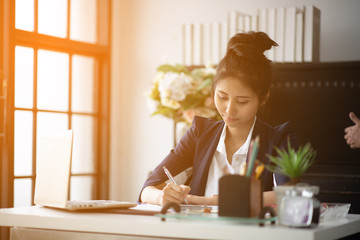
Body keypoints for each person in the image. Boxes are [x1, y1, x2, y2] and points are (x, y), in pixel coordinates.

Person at [139, 31, 298, 206]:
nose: (229, 110)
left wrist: (210, 201)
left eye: (242, 101)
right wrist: (162, 197)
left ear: (264, 97)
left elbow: (288, 194)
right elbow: (148, 189)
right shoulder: (200, 134)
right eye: (222, 97)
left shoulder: (280, 140)